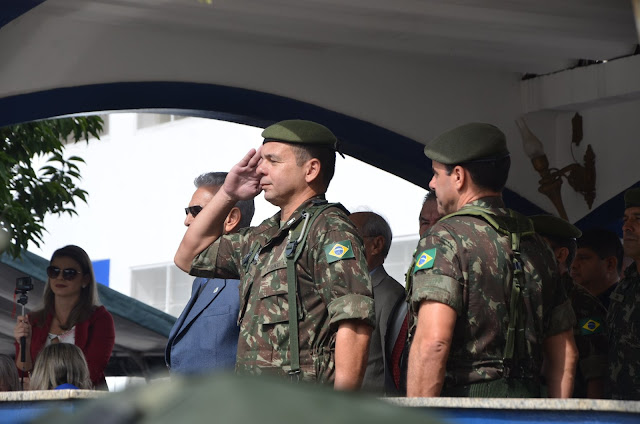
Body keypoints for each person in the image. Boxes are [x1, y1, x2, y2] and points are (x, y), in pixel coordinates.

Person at [174, 119, 375, 389]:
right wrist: (228, 194)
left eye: (273, 160)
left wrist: (340, 408)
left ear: (311, 170)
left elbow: (354, 324)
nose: (260, 169)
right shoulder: (263, 236)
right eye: (261, 160)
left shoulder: (329, 229)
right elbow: (188, 257)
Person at [406, 122, 577, 398]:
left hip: (465, 407)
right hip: (530, 406)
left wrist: (417, 415)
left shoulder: (446, 239)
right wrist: (554, 415)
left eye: (436, 174)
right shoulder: (538, 245)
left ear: (458, 176)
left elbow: (432, 344)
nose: (432, 183)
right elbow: (565, 353)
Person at [166, 172, 255, 374]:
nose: (187, 220)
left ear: (231, 219)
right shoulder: (202, 279)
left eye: (196, 211)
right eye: (187, 211)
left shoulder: (248, 274)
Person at [14, 245, 115, 389]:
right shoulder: (33, 320)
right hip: (40, 401)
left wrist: (44, 386)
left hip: (84, 400)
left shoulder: (100, 319)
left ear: (85, 280)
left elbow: (93, 372)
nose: (60, 277)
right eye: (54, 271)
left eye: (69, 273)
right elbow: (22, 375)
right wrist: (25, 344)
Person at [530, 215, 608, 398]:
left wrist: (590, 412)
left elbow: (596, 372)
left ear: (560, 255)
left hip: (568, 403)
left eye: (535, 247)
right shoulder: (529, 294)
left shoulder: (584, 304)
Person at [349, 211, 405, 394]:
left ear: (376, 245)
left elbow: (391, 369)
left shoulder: (391, 295)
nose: (340, 246)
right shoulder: (339, 289)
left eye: (350, 237)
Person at [607, 188, 640, 400]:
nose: (626, 227)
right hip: (618, 408)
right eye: (625, 219)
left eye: (638, 219)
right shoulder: (625, 284)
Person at [571, 229, 623, 309]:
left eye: (583, 258)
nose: (573, 265)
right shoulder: (572, 301)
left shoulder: (627, 306)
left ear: (610, 264)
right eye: (572, 258)